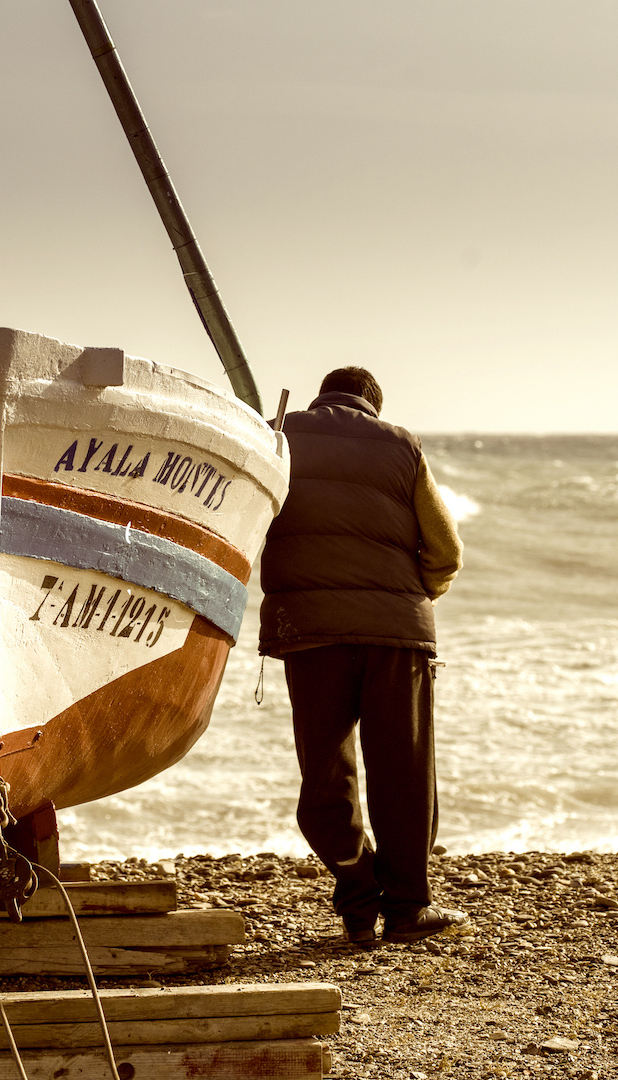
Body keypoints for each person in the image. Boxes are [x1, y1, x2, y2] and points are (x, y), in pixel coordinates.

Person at [258, 366, 465, 946]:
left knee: (324, 770)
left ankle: (355, 894)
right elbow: (446, 549)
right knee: (403, 770)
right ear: (373, 405)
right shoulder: (401, 445)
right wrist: (418, 592)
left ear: (322, 396)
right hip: (397, 634)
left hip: (309, 630)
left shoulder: (277, 434)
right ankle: (406, 910)